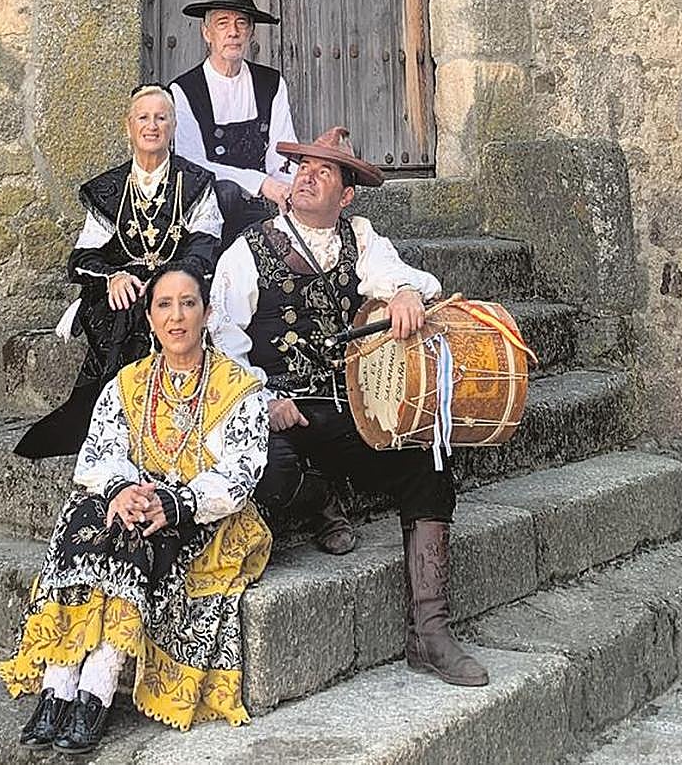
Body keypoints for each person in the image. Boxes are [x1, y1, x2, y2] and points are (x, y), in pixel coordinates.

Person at [209, 126, 490, 687]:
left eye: (324, 172)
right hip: (279, 408)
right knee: (271, 472)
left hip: (347, 409)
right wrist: (261, 399)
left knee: (427, 458)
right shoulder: (250, 247)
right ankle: (316, 493)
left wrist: (406, 293)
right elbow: (221, 337)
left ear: (346, 195)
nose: (307, 176)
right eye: (302, 168)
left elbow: (401, 279)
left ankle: (429, 632)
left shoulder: (359, 237)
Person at [0, 260, 273, 754]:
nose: (176, 316)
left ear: (206, 313)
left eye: (188, 303)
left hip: (204, 515)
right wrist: (122, 489)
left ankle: (95, 691)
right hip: (137, 498)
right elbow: (98, 456)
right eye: (164, 305)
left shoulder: (239, 388)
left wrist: (176, 500)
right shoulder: (127, 383)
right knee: (85, 518)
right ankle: (57, 687)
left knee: (140, 534)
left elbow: (242, 470)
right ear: (149, 318)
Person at [14, 85, 223, 459]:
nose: (152, 125)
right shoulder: (109, 189)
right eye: (143, 117)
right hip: (122, 298)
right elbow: (82, 257)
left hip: (177, 291)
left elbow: (204, 247)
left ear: (173, 126)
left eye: (161, 118)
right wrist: (114, 277)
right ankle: (120, 419)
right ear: (129, 126)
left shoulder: (195, 183)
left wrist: (163, 284)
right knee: (122, 310)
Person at [170, 0, 297, 251]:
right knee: (226, 192)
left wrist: (288, 193)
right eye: (223, 23)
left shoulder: (271, 83)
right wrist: (260, 183)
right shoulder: (184, 90)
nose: (233, 32)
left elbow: (283, 152)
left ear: (251, 32)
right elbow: (192, 165)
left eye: (242, 23)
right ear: (207, 33)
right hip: (208, 212)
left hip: (261, 206)